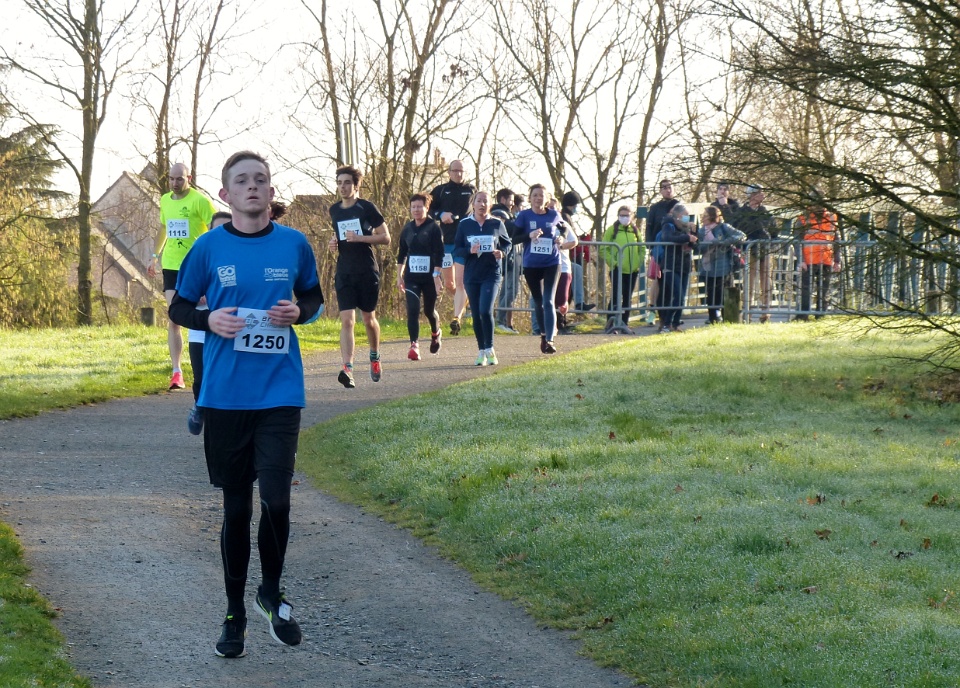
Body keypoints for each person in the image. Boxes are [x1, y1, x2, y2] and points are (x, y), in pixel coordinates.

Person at [168, 150, 325, 659]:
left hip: (280, 392)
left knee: (277, 501)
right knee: (237, 509)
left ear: (271, 192)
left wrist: (299, 312)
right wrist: (207, 320)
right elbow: (179, 305)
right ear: (226, 193)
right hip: (225, 396)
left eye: (261, 180)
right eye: (242, 181)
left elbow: (314, 299)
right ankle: (234, 612)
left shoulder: (294, 243)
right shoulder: (208, 247)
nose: (253, 187)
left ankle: (270, 594)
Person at [148, 162, 216, 390]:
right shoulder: (165, 200)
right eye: (171, 179)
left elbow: (215, 228)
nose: (174, 183)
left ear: (189, 178)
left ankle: (207, 365)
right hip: (171, 265)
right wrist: (154, 256)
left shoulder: (200, 201)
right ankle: (176, 372)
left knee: (201, 314)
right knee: (174, 317)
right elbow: (163, 228)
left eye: (179, 179)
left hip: (196, 266)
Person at [328, 165, 391, 388]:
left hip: (366, 270)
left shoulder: (366, 207)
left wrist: (361, 238)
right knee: (347, 320)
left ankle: (374, 355)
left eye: (347, 183)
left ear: (356, 185)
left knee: (368, 319)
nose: (342, 187)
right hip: (344, 271)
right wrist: (334, 243)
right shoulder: (334, 210)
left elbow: (385, 237)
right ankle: (348, 368)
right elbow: (339, 235)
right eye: (339, 183)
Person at [186, 210, 232, 435]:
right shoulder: (200, 255)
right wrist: (197, 296)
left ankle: (224, 421)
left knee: (225, 378)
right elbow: (182, 298)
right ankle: (200, 407)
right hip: (200, 329)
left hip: (230, 330)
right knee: (201, 377)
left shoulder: (242, 257)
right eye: (217, 229)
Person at [453, 191, 511, 365]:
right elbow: (457, 249)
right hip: (472, 274)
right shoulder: (464, 225)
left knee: (485, 310)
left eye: (485, 201)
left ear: (490, 205)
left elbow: (507, 244)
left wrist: (502, 252)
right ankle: (481, 351)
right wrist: (469, 250)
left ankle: (490, 348)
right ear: (473, 204)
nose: (482, 204)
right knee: (477, 313)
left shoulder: (496, 223)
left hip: (491, 274)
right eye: (479, 201)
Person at [515, 185, 573, 354]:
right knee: (538, 302)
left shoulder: (554, 215)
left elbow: (564, 229)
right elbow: (514, 238)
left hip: (551, 263)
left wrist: (561, 238)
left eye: (541, 195)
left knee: (548, 301)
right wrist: (529, 235)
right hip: (531, 264)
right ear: (530, 198)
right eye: (535, 195)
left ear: (546, 198)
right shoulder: (524, 216)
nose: (538, 198)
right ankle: (542, 335)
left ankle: (550, 339)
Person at [396, 193, 444, 360]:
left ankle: (435, 332)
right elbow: (402, 254)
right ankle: (414, 345)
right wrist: (399, 276)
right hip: (412, 278)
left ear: (427, 208)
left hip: (430, 278)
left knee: (429, 311)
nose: (416, 210)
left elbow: (439, 254)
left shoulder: (433, 228)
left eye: (419, 207)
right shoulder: (407, 229)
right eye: (413, 207)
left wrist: (437, 275)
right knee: (413, 309)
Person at [430, 160, 475, 335]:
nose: (458, 174)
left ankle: (457, 317)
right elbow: (428, 208)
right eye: (455, 171)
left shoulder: (471, 190)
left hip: (464, 243)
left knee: (461, 282)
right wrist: (441, 214)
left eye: (461, 171)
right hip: (446, 242)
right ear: (449, 172)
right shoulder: (440, 190)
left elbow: (481, 209)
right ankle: (464, 301)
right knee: (450, 284)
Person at [796, 190, 841, 320]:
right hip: (808, 260)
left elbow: (837, 240)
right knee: (806, 290)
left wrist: (837, 260)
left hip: (826, 259)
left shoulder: (832, 217)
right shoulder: (803, 218)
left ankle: (820, 315)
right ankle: (803, 315)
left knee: (824, 290)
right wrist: (801, 260)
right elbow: (797, 241)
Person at [698, 206, 746, 324]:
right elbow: (698, 247)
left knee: (725, 292)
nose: (703, 218)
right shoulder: (701, 231)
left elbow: (741, 235)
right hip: (708, 266)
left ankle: (729, 317)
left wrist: (725, 242)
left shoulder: (724, 227)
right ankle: (712, 318)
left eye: (705, 215)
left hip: (724, 266)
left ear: (712, 216)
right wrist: (710, 243)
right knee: (711, 294)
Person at [736, 184, 777, 322]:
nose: (763, 195)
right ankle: (747, 312)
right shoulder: (742, 213)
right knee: (749, 282)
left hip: (765, 250)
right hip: (749, 250)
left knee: (766, 282)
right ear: (752, 195)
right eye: (760, 192)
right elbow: (738, 230)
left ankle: (766, 312)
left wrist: (772, 244)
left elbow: (774, 232)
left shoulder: (766, 213)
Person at [600, 207, 645, 329]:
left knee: (627, 298)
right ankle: (610, 324)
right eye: (622, 215)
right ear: (618, 216)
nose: (624, 218)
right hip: (617, 270)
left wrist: (638, 262)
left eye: (627, 215)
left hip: (632, 270)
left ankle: (624, 323)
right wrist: (613, 262)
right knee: (615, 297)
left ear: (631, 216)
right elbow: (603, 249)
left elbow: (642, 248)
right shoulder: (612, 230)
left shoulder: (635, 230)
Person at [657, 203, 698, 332]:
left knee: (682, 298)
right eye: (686, 215)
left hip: (684, 265)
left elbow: (696, 244)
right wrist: (687, 237)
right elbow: (667, 237)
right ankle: (666, 323)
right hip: (671, 265)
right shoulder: (668, 224)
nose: (688, 217)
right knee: (678, 296)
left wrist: (694, 233)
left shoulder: (687, 228)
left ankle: (675, 323)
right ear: (679, 215)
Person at [645, 179, 679, 325]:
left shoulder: (679, 205)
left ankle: (673, 315)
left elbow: (685, 224)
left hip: (675, 250)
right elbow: (649, 227)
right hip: (659, 249)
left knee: (673, 282)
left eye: (669, 187)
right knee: (657, 280)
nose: (667, 190)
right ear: (660, 190)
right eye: (664, 187)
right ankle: (653, 311)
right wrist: (650, 246)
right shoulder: (655, 208)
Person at [492, 188, 520, 334]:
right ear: (503, 199)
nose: (512, 203)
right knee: (511, 290)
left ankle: (500, 321)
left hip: (507, 257)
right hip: (504, 257)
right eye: (511, 200)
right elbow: (513, 230)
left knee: (506, 291)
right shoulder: (499, 213)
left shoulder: (506, 214)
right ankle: (499, 320)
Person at [562, 191, 595, 313]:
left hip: (568, 256)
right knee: (576, 271)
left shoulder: (566, 216)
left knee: (568, 289)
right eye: (576, 205)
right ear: (571, 204)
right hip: (564, 257)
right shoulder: (565, 217)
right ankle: (579, 303)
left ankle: (576, 305)